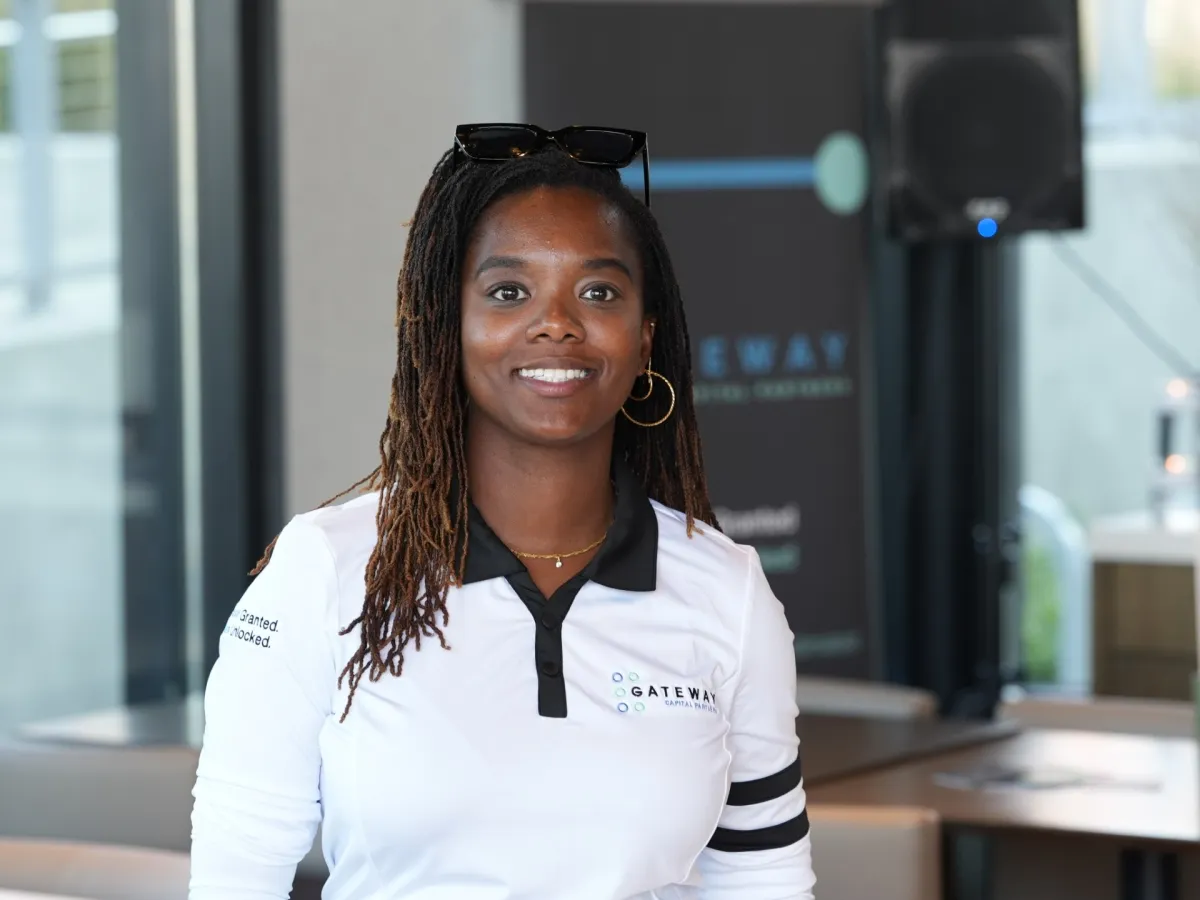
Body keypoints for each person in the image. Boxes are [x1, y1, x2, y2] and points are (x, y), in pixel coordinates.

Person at [189, 124, 815, 900]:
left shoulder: (725, 590)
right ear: (447, 327)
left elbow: (761, 879)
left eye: (599, 292)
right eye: (508, 292)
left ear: (646, 338)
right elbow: (236, 877)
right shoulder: (327, 568)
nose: (557, 323)